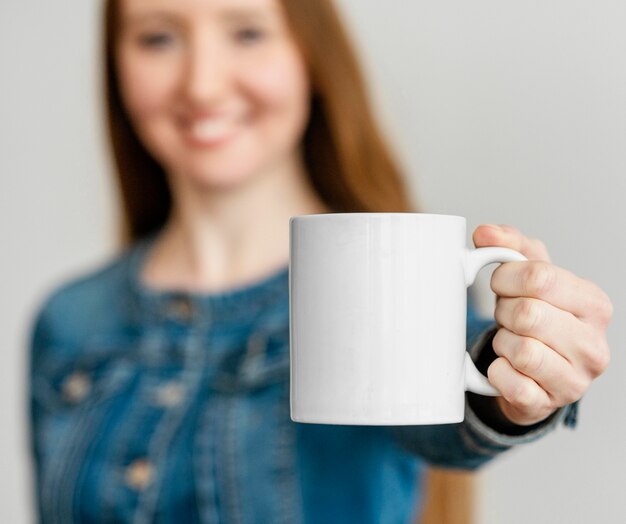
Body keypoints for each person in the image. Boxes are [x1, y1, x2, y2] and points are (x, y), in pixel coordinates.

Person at [28, 0, 613, 522]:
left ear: (310, 53)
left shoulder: (393, 279)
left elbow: (451, 422)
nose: (202, 85)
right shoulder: (69, 320)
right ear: (116, 67)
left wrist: (514, 385)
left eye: (248, 31)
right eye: (157, 37)